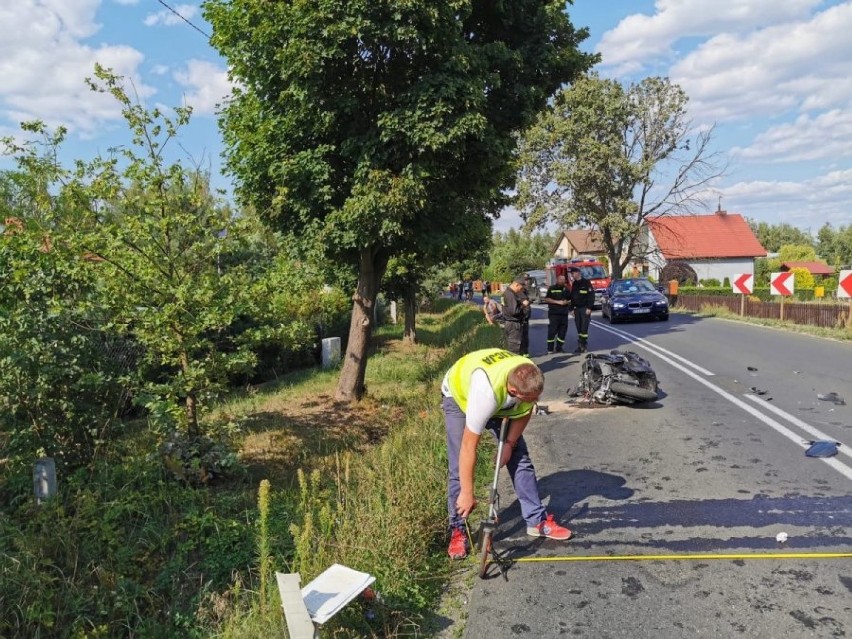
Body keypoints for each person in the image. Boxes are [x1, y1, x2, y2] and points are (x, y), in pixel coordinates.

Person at [442, 348, 573, 559]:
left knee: (520, 457)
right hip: (459, 395)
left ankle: (536, 521)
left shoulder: (531, 377)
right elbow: (468, 447)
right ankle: (458, 530)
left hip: (501, 393)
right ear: (513, 391)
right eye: (529, 398)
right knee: (458, 467)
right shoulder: (485, 395)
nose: (534, 402)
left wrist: (509, 444)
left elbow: (524, 410)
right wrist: (467, 492)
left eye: (535, 397)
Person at [568, 266, 595, 353]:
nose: (572, 275)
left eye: (573, 273)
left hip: (584, 309)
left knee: (584, 328)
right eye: (571, 274)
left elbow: (591, 295)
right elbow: (572, 297)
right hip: (577, 309)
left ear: (578, 273)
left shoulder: (586, 282)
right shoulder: (575, 283)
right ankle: (580, 345)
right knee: (579, 328)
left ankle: (583, 345)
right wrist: (571, 309)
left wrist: (589, 307)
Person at [501, 276, 531, 356]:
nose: (520, 290)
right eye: (521, 288)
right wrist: (524, 305)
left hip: (510, 323)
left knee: (515, 346)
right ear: (516, 284)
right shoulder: (510, 294)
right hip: (513, 324)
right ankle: (515, 367)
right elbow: (514, 311)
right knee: (515, 349)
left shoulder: (507, 293)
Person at [542, 274, 570, 353]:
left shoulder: (566, 289)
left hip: (564, 314)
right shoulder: (552, 288)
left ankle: (559, 347)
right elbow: (547, 299)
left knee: (563, 332)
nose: (562, 281)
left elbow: (571, 299)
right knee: (552, 331)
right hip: (554, 314)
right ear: (557, 280)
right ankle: (550, 349)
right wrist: (558, 302)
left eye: (563, 279)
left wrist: (566, 302)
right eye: (561, 279)